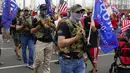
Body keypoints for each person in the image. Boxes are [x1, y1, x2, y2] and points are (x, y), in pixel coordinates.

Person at [57, 4, 96, 73]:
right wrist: (75, 38)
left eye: (81, 12)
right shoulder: (65, 24)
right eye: (77, 12)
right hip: (68, 60)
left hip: (80, 59)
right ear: (71, 12)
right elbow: (60, 43)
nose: (80, 14)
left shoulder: (79, 24)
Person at [31, 4, 56, 73]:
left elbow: (55, 28)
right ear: (40, 10)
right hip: (40, 41)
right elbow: (32, 30)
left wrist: (50, 24)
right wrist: (39, 26)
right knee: (39, 60)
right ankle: (35, 70)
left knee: (47, 61)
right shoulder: (36, 18)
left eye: (45, 9)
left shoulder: (50, 17)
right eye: (43, 9)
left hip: (50, 41)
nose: (44, 11)